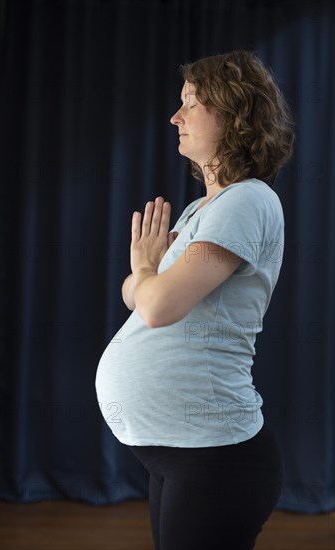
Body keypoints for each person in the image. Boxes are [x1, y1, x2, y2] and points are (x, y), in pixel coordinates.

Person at [95, 50, 295, 550]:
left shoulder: (247, 199)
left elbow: (157, 305)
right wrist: (146, 279)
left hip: (215, 459)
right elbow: (136, 297)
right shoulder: (199, 211)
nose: (175, 117)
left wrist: (145, 273)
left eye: (190, 103)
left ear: (234, 114)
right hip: (181, 455)